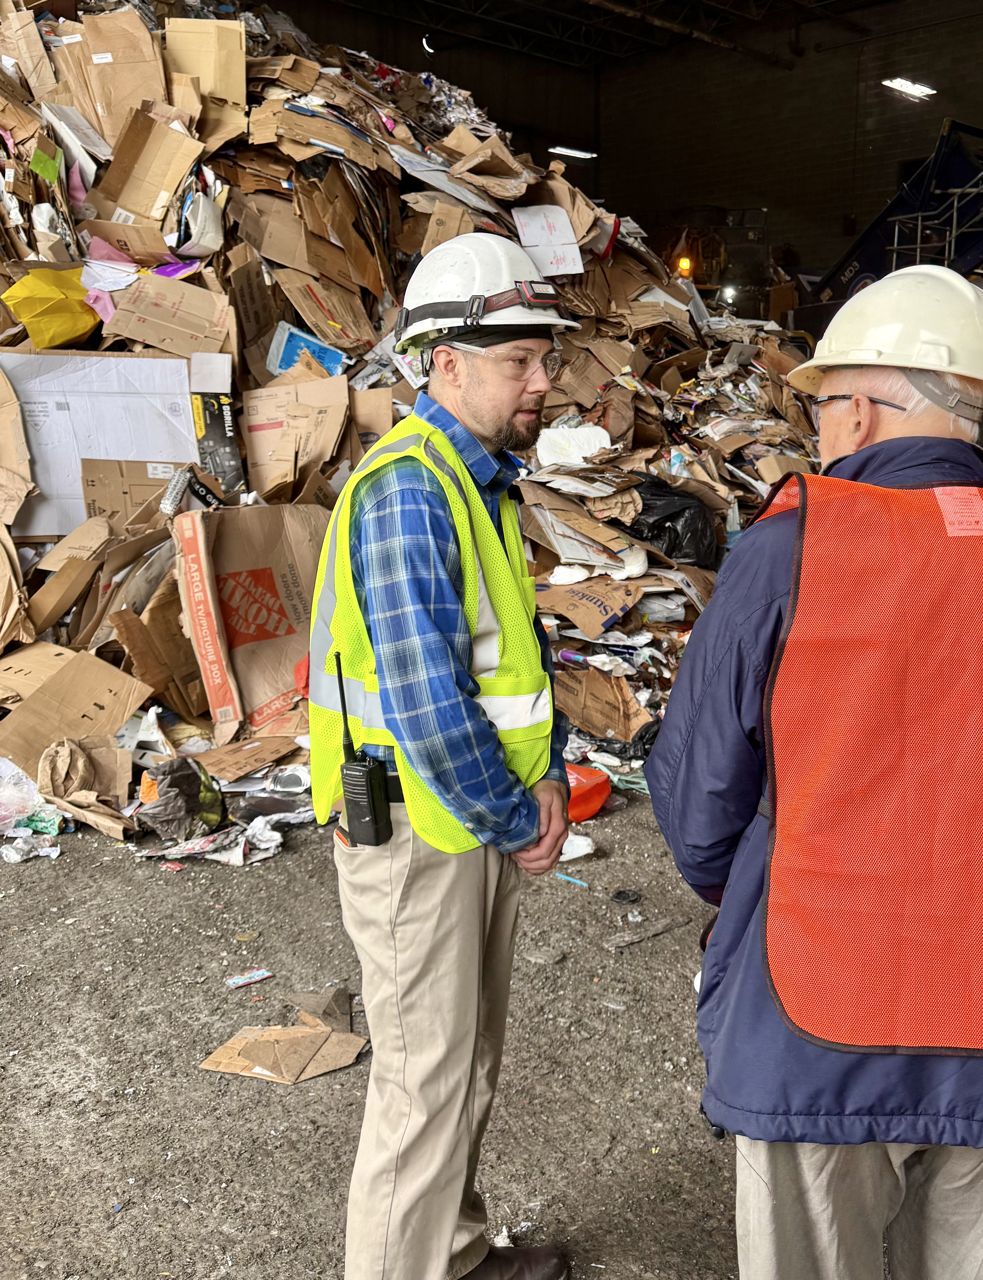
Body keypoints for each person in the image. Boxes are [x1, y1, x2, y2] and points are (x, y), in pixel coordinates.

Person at [647, 264, 983, 1280]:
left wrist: (741, 889)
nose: (819, 430)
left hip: (821, 1005)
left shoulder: (792, 546)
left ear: (865, 409)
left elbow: (700, 786)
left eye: (824, 404)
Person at [309, 233, 576, 1280]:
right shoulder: (412, 491)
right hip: (421, 829)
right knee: (423, 1081)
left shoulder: (481, 482)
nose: (543, 380)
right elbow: (426, 703)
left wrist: (543, 774)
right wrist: (525, 818)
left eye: (544, 357)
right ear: (445, 362)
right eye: (519, 360)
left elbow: (506, 660)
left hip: (467, 813)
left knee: (464, 1064)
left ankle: (454, 1254)